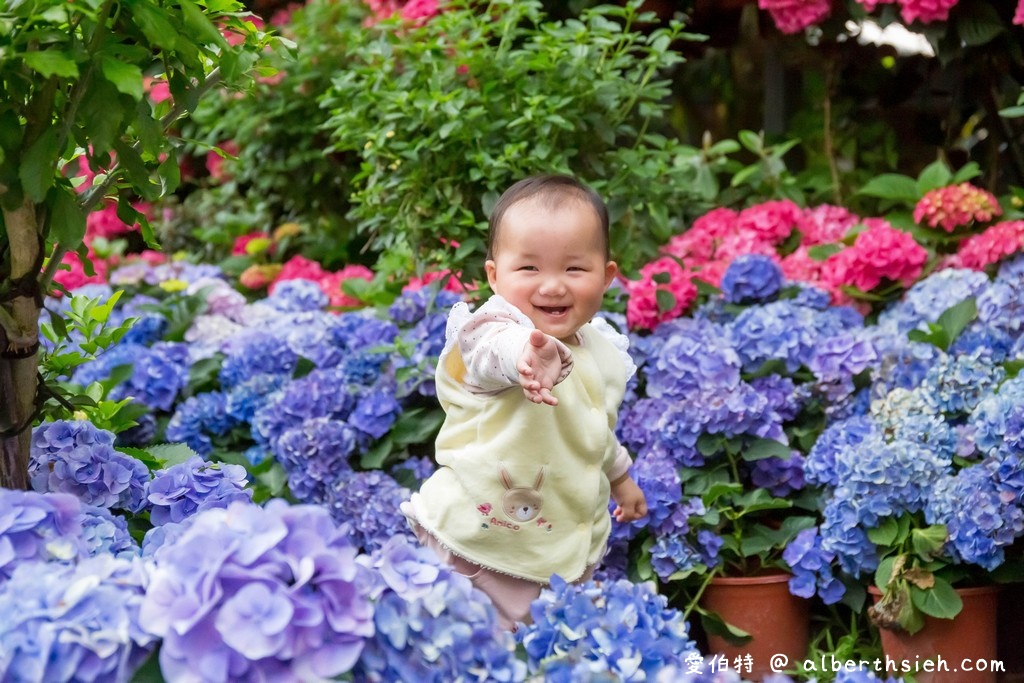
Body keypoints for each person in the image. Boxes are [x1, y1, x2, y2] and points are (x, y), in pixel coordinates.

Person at [402, 174, 647, 630]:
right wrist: (525, 357)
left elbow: (592, 430)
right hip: (482, 547)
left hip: (560, 548)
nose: (552, 286)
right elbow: (492, 354)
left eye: (574, 269)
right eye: (529, 269)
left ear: (607, 275)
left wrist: (621, 478)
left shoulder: (603, 350)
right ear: (495, 276)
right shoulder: (491, 331)